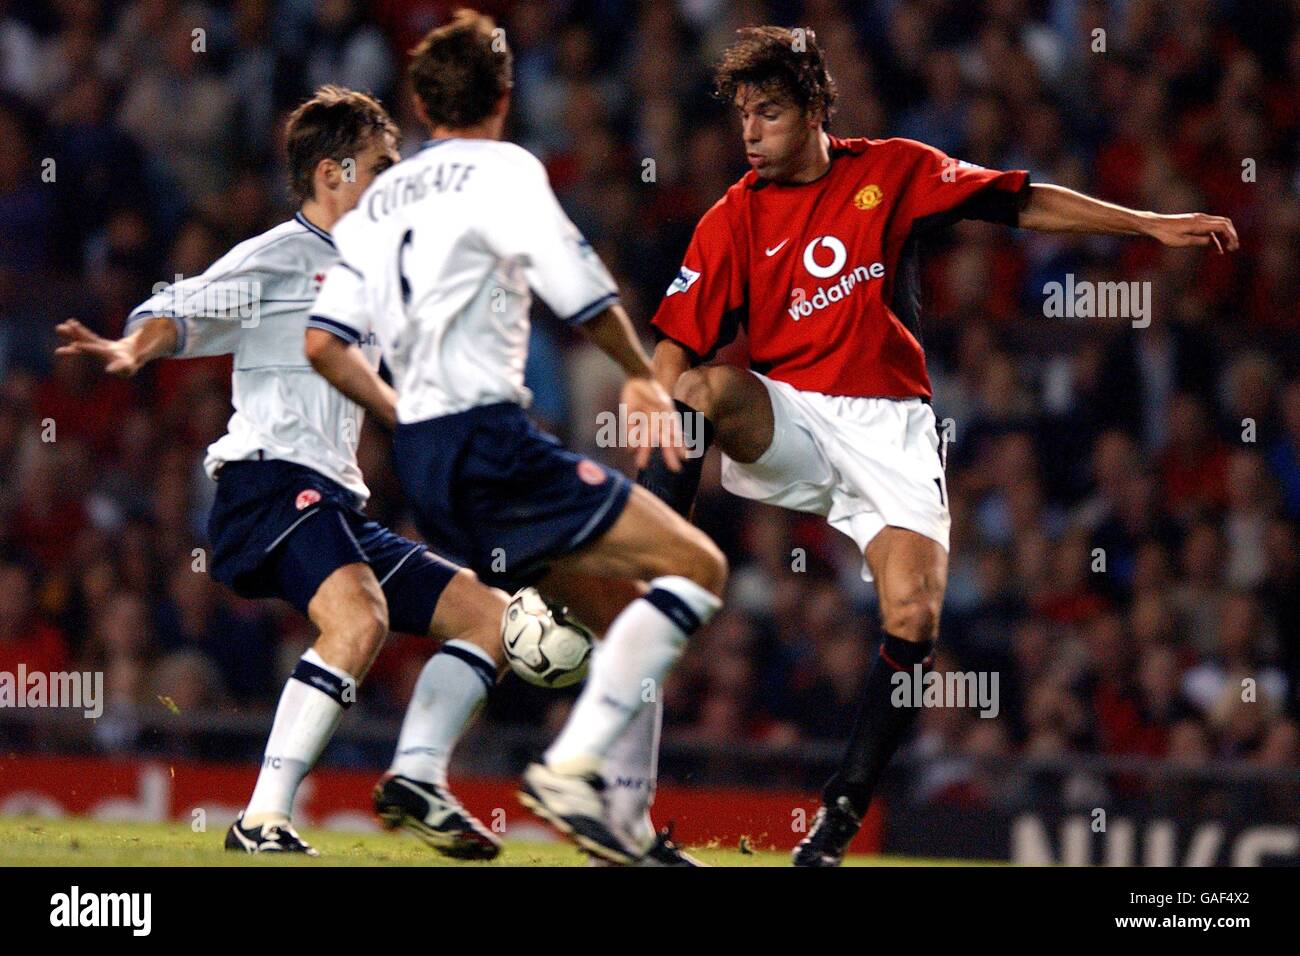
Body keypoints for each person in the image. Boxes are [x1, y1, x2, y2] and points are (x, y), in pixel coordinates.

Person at [636, 26, 1239, 867]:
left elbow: (1020, 201)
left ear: (814, 108)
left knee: (915, 618)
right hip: (795, 422)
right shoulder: (732, 216)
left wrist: (1147, 224)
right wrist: (651, 398)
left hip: (893, 430)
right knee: (704, 387)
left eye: (767, 113)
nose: (750, 132)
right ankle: (649, 560)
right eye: (742, 116)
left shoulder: (892, 171)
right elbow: (671, 352)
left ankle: (838, 816)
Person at [307, 9, 727, 865]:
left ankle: (618, 823)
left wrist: (399, 414)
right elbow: (576, 284)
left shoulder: (381, 197)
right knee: (699, 567)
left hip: (423, 461)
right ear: (504, 96)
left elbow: (321, 343)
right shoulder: (506, 169)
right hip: (492, 440)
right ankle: (571, 768)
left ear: (422, 105)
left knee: (626, 619)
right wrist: (643, 374)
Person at [56, 85, 511, 860]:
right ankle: (262, 818)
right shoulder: (280, 255)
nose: (394, 179)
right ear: (334, 174)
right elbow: (180, 305)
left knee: (490, 617)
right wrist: (137, 346)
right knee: (359, 620)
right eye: (381, 165)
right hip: (267, 485)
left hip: (336, 500)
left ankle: (418, 780)